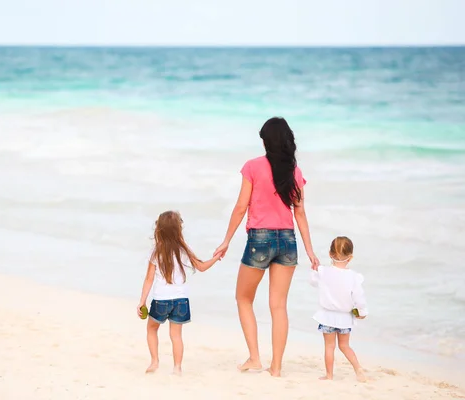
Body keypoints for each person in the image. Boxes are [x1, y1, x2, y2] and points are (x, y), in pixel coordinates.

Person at [214, 117, 319, 377]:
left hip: (260, 239)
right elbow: (301, 214)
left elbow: (241, 207)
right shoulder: (295, 171)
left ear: (265, 141)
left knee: (243, 298)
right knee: (278, 306)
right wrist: (310, 251)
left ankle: (255, 358)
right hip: (288, 241)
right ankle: (277, 368)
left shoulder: (253, 167)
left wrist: (226, 240)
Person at [137, 210, 222, 375]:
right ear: (179, 230)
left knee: (152, 329)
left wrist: (142, 302)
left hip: (161, 299)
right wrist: (215, 258)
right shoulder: (184, 250)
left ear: (158, 230)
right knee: (176, 335)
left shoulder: (156, 252)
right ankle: (177, 368)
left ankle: (154, 362)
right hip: (181, 300)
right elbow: (201, 267)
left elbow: (149, 279)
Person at [309, 236, 368, 382]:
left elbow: (313, 282)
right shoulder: (354, 277)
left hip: (327, 316)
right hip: (345, 318)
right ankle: (358, 369)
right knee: (345, 346)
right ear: (350, 257)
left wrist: (314, 270)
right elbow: (359, 297)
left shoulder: (323, 272)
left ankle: (329, 375)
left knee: (329, 346)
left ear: (330, 254)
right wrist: (361, 312)